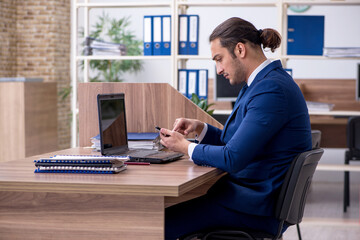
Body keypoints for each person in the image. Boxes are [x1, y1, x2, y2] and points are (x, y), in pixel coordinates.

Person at [160, 17, 312, 239]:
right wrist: (201, 128)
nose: (219, 69)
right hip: (251, 200)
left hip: (252, 207)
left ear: (240, 49)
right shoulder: (261, 84)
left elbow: (233, 157)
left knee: (155, 222)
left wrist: (185, 147)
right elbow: (237, 143)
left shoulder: (271, 90)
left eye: (219, 59)